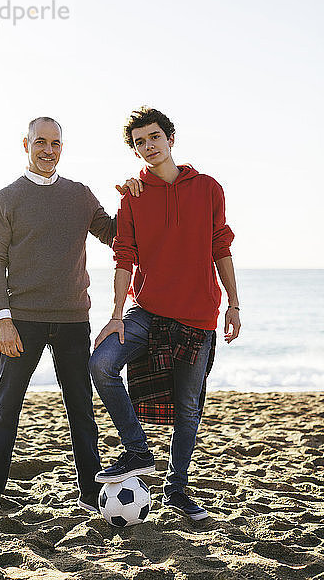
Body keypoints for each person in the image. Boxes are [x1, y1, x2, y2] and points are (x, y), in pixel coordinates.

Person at [0, 116, 140, 518]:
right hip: (22, 319)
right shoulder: (5, 198)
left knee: (81, 406)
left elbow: (116, 234)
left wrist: (134, 196)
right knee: (6, 405)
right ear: (25, 145)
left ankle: (89, 494)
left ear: (63, 146)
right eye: (40, 142)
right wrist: (2, 320)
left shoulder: (79, 195)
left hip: (73, 319)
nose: (48, 149)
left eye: (55, 142)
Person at [90, 107, 241, 520]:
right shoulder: (132, 196)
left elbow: (220, 247)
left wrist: (234, 303)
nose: (148, 146)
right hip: (148, 311)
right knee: (102, 363)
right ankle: (138, 451)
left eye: (154, 137)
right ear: (135, 150)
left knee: (188, 408)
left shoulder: (208, 188)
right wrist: (117, 313)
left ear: (170, 138)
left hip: (197, 316)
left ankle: (177, 489)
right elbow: (124, 257)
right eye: (140, 142)